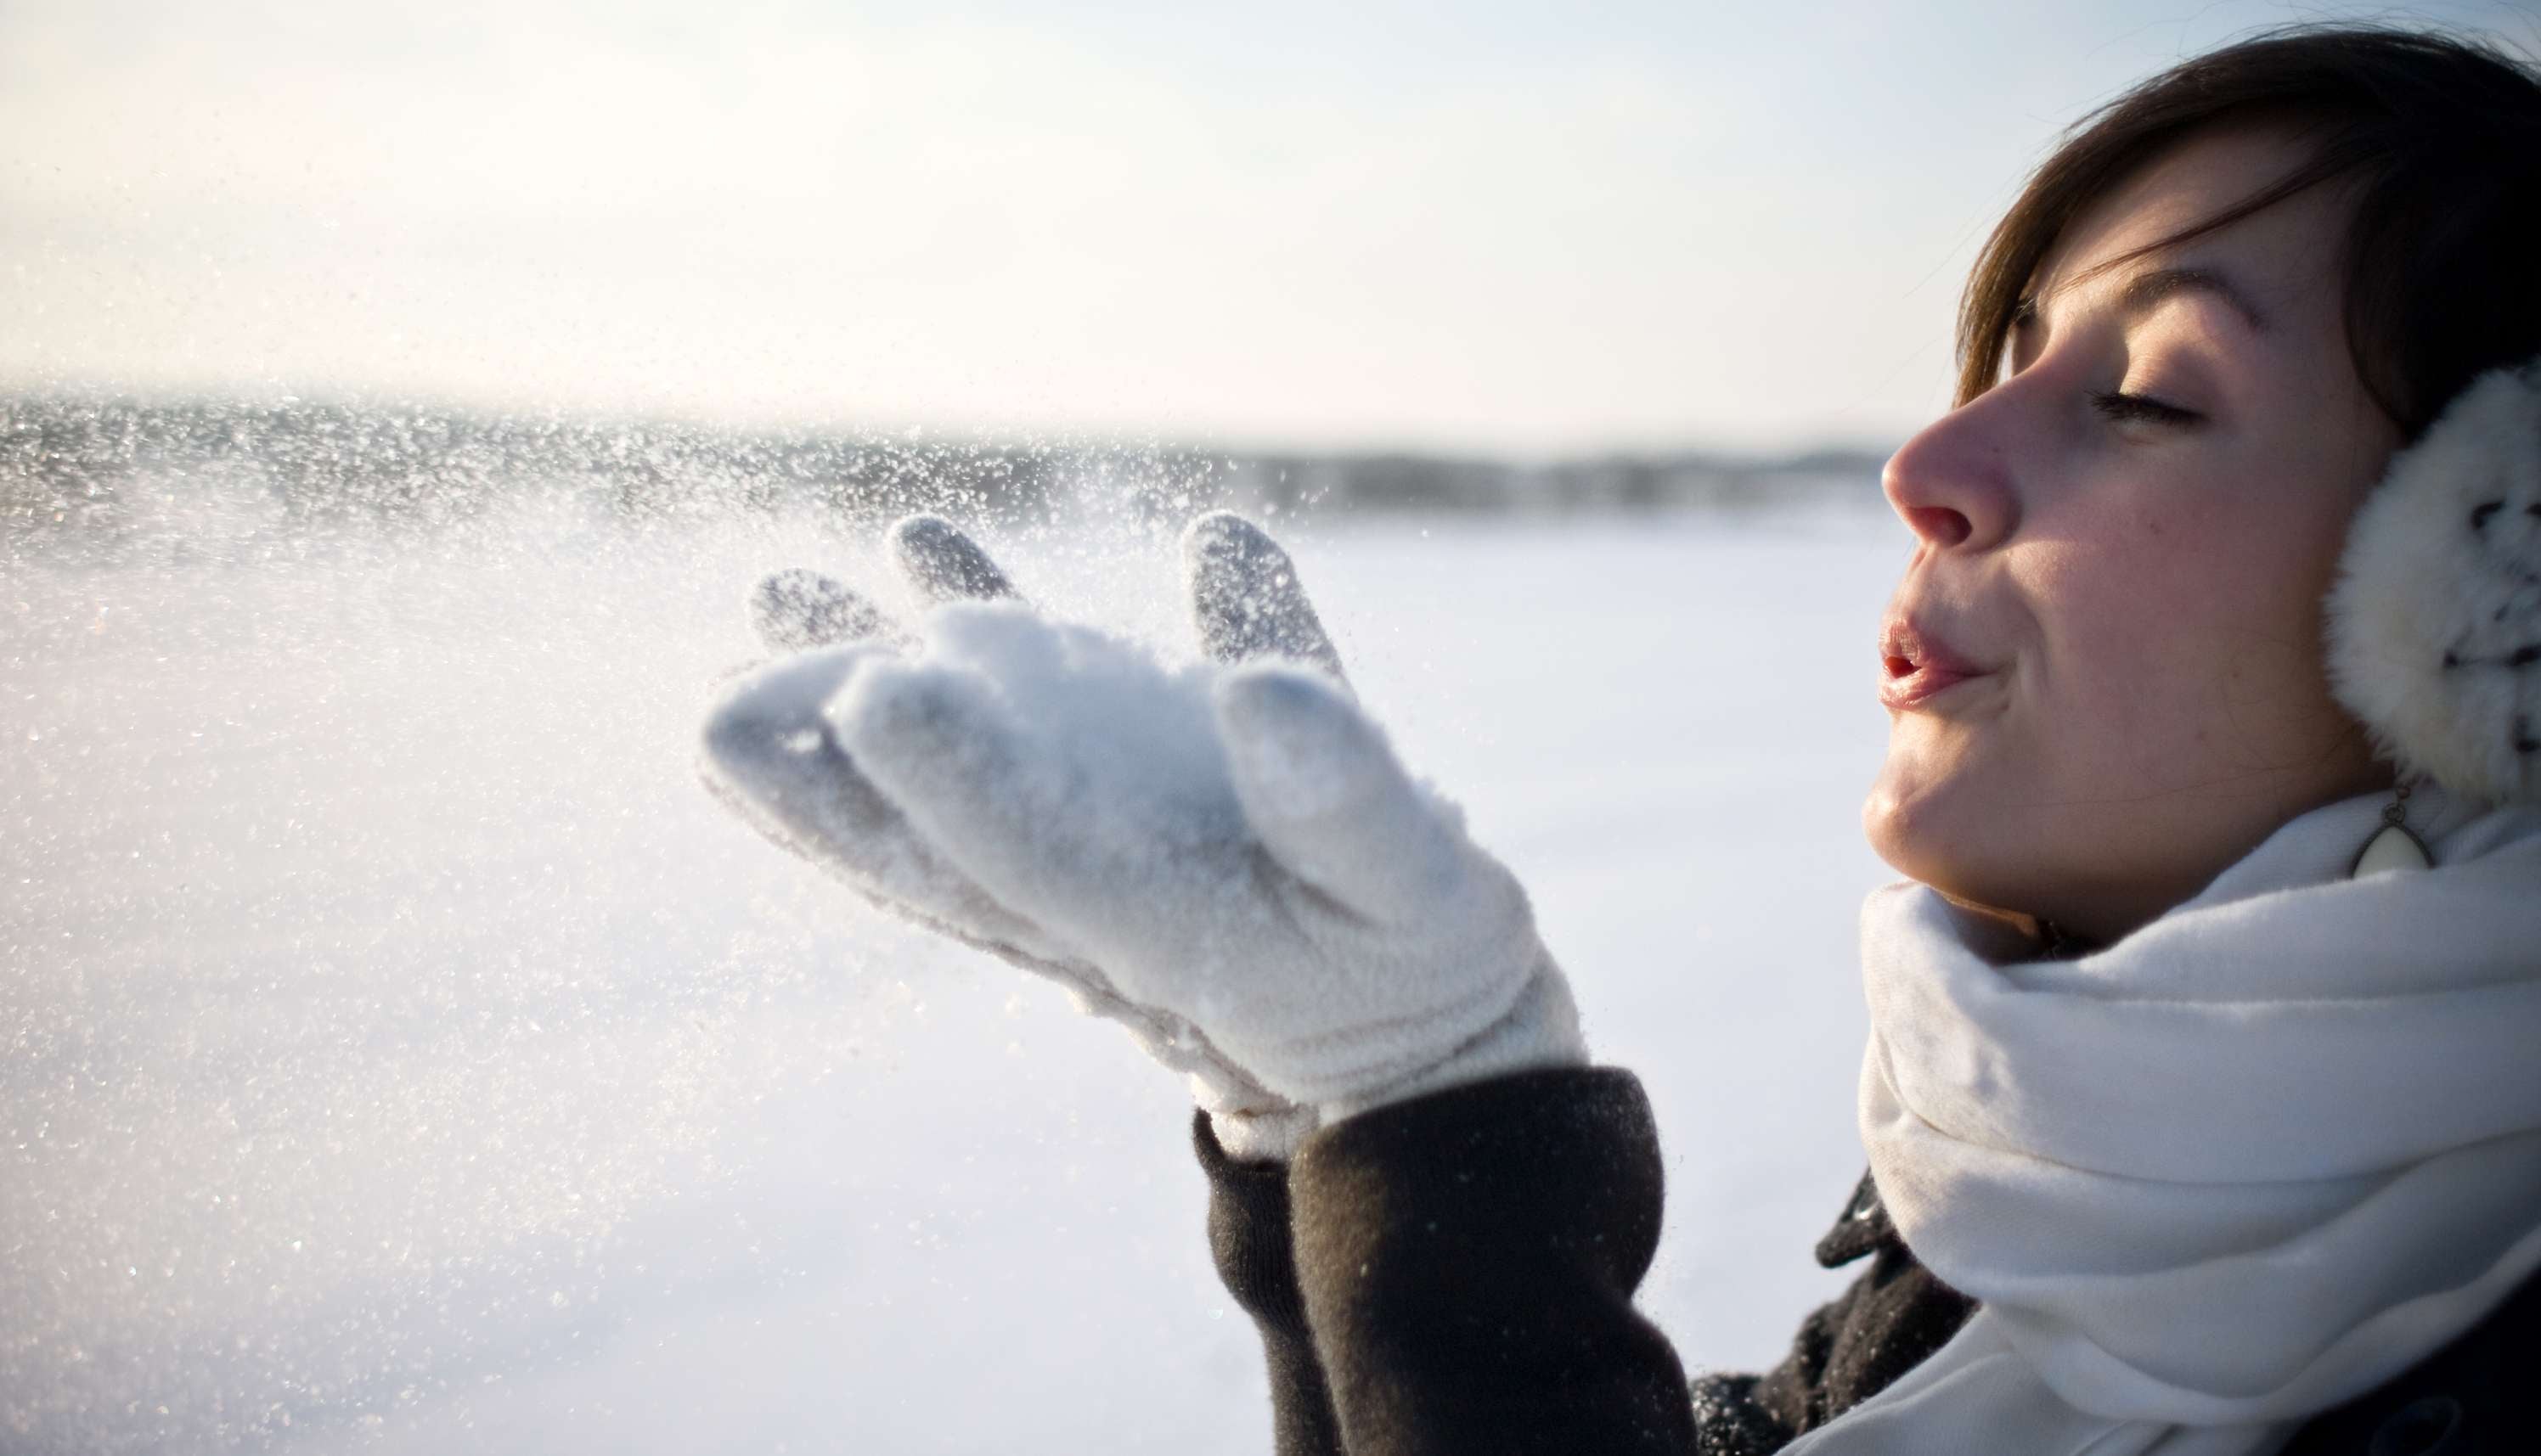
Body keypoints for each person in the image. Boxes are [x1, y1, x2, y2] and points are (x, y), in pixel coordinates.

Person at [699, 24, 2541, 1456]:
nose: (1928, 470)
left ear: (2486, 593)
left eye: (2143, 394)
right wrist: (1328, 1134)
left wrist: (1443, 1115)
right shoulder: (2013, 1260)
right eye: (2000, 369)